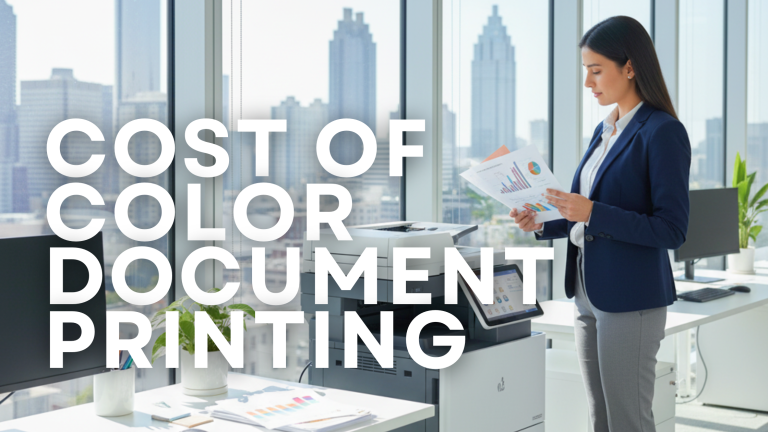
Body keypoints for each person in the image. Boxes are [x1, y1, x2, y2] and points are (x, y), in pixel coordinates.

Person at [510, 16, 690, 432]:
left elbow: (671, 229)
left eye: (596, 71)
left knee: (628, 419)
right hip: (588, 292)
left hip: (631, 298)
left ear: (630, 67)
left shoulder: (662, 132)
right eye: (585, 72)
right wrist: (540, 222)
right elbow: (584, 214)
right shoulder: (604, 129)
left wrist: (591, 211)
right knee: (601, 416)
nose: (589, 83)